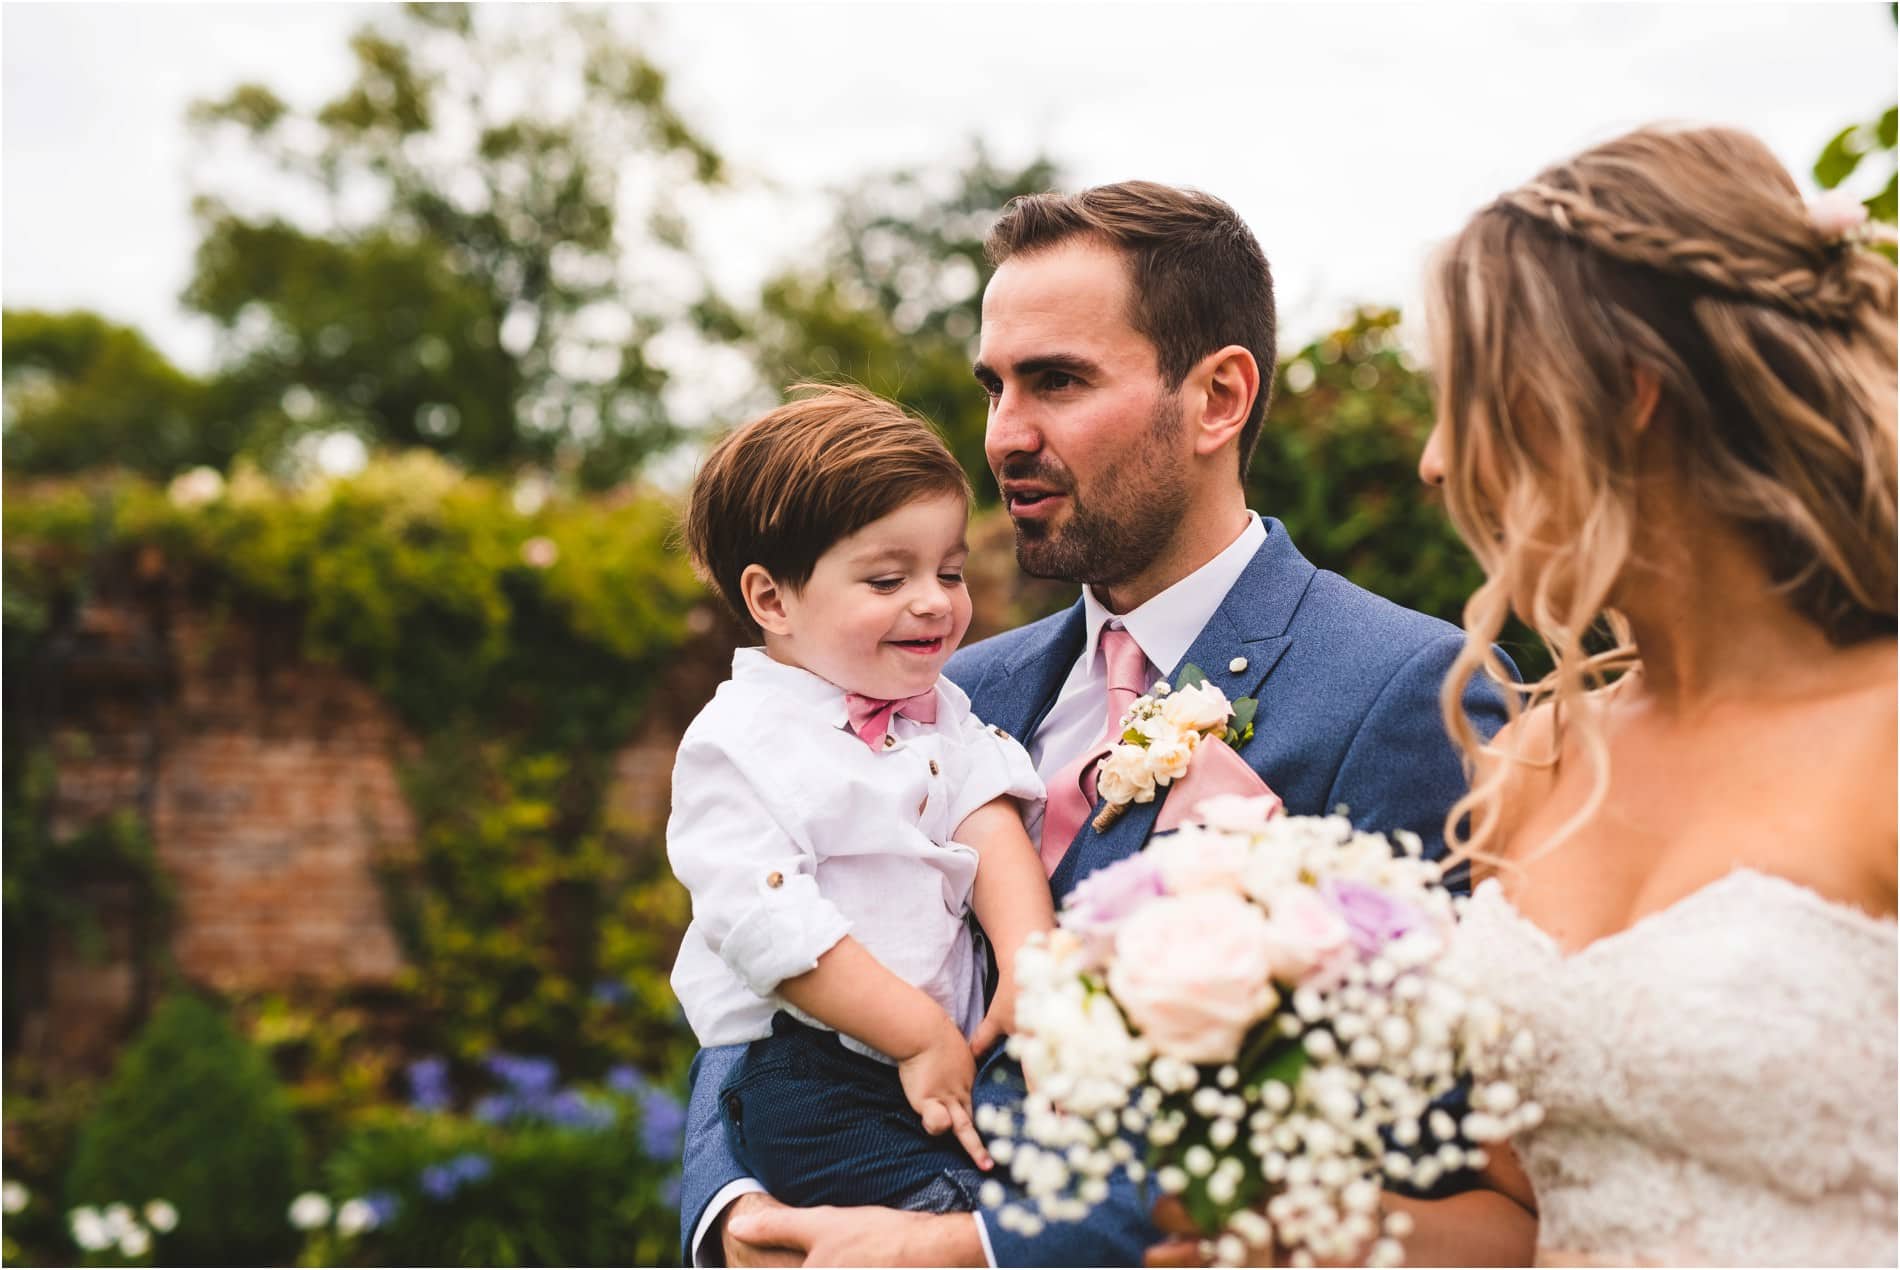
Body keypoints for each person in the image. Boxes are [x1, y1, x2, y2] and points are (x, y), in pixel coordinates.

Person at [682, 180, 1512, 1267]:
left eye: (1057, 382)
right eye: (994, 386)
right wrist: (733, 1204)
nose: (1003, 435)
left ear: (1218, 397)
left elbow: (1425, 1145)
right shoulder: (939, 686)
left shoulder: (1412, 693)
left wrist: (978, 1248)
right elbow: (757, 949)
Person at [1155, 123, 1898, 1268]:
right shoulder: (1542, 758)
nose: (1436, 464)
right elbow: (1535, 1213)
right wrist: (1293, 1233)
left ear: (1630, 397)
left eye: (1473, 404)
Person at [668, 386, 1054, 1217]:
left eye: (948, 572)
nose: (934, 601)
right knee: (934, 1215)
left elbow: (987, 819)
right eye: (888, 578)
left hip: (945, 1056)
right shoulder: (737, 742)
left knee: (1026, 1202)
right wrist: (915, 1035)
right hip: (814, 1071)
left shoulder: (940, 707)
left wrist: (1031, 959)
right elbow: (769, 925)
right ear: (772, 600)